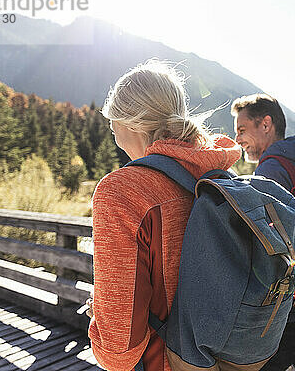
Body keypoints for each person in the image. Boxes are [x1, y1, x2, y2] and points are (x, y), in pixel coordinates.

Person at [88, 60, 241, 371]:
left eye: (112, 121)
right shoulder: (222, 177)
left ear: (126, 122)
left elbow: (119, 353)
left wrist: (99, 319)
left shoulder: (122, 192)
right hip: (231, 361)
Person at [231, 93, 295, 371]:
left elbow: (262, 244)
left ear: (266, 124)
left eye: (242, 130)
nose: (238, 139)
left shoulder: (271, 170)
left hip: (285, 307)